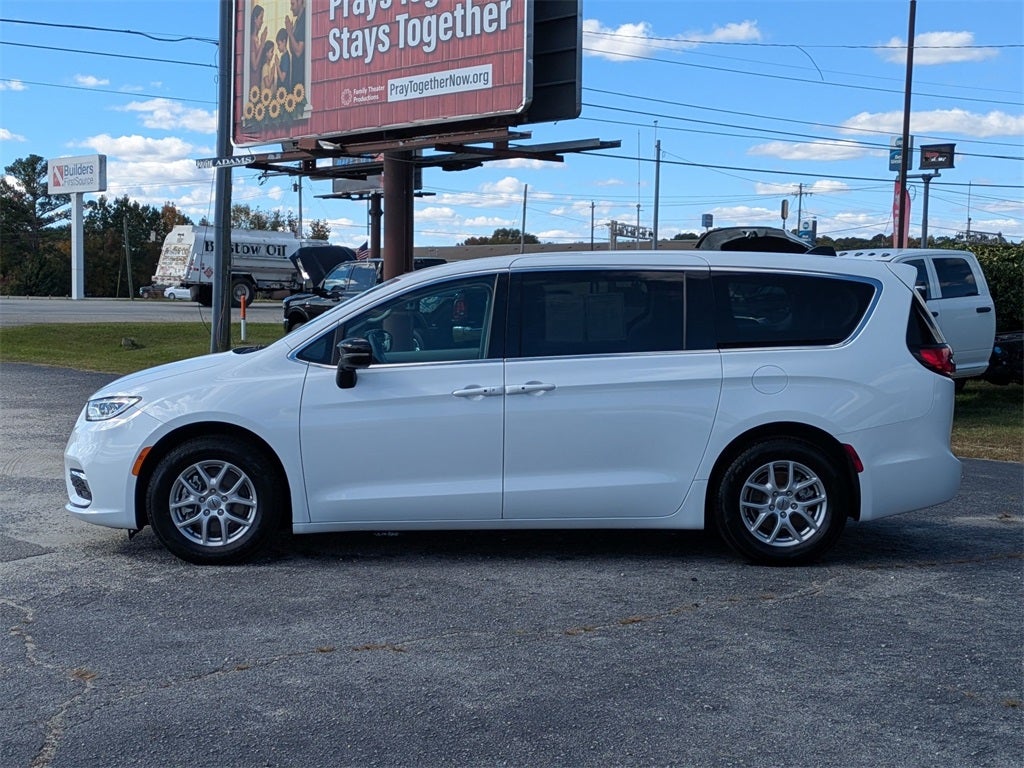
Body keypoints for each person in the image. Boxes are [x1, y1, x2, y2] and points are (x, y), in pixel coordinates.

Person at [285, 0, 306, 92]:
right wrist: (290, 33)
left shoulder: (304, 20)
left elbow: (298, 51)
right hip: (296, 78)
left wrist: (290, 32)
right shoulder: (297, 21)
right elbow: (292, 49)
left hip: (302, 77)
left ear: (300, 2)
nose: (291, 8)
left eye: (292, 4)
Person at [249, 4, 267, 90]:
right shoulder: (251, 40)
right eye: (261, 18)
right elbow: (254, 65)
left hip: (258, 83)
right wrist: (263, 42)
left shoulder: (257, 39)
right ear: (255, 19)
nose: (262, 21)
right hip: (252, 84)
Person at [275, 28, 292, 93]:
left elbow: (282, 78)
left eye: (279, 44)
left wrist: (277, 65)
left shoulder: (285, 57)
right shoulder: (283, 56)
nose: (278, 47)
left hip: (284, 94)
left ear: (284, 42)